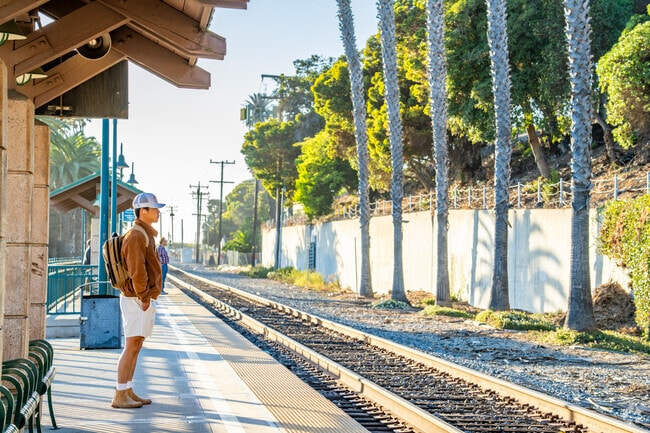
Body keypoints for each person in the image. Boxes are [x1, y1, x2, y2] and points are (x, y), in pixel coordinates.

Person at [111, 192, 165, 409]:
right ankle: (119, 394)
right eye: (154, 208)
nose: (158, 212)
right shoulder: (136, 235)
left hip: (139, 298)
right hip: (136, 299)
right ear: (143, 211)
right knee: (131, 345)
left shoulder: (144, 234)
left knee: (137, 345)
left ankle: (128, 389)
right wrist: (144, 297)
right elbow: (137, 270)